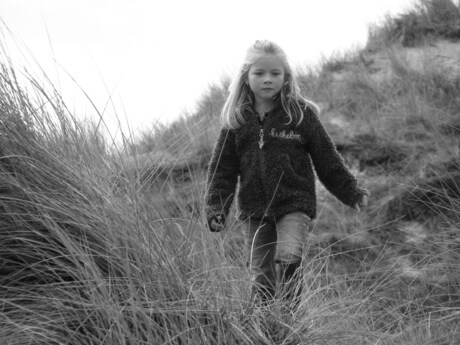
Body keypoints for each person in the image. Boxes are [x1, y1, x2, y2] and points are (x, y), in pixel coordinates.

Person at [204, 40, 368, 307]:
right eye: (259, 73)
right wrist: (216, 209)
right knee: (262, 276)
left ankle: (289, 318)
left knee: (288, 257)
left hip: (294, 203)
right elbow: (221, 170)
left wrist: (351, 192)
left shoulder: (300, 115)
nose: (267, 79)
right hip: (254, 208)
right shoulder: (236, 121)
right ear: (246, 77)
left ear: (286, 76)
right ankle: (267, 326)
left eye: (275, 73)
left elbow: (327, 159)